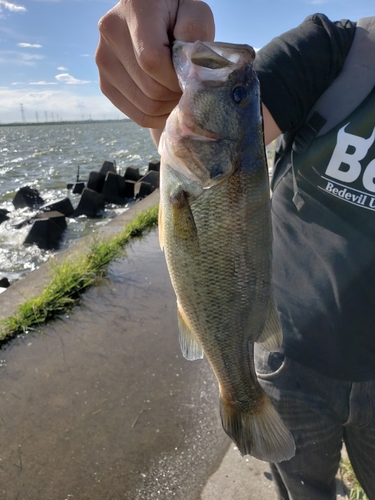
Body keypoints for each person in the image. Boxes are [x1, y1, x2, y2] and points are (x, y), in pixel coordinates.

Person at [95, 2, 375, 499]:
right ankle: (240, 392)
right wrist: (159, 79)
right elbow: (223, 126)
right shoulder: (338, 51)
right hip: (293, 358)